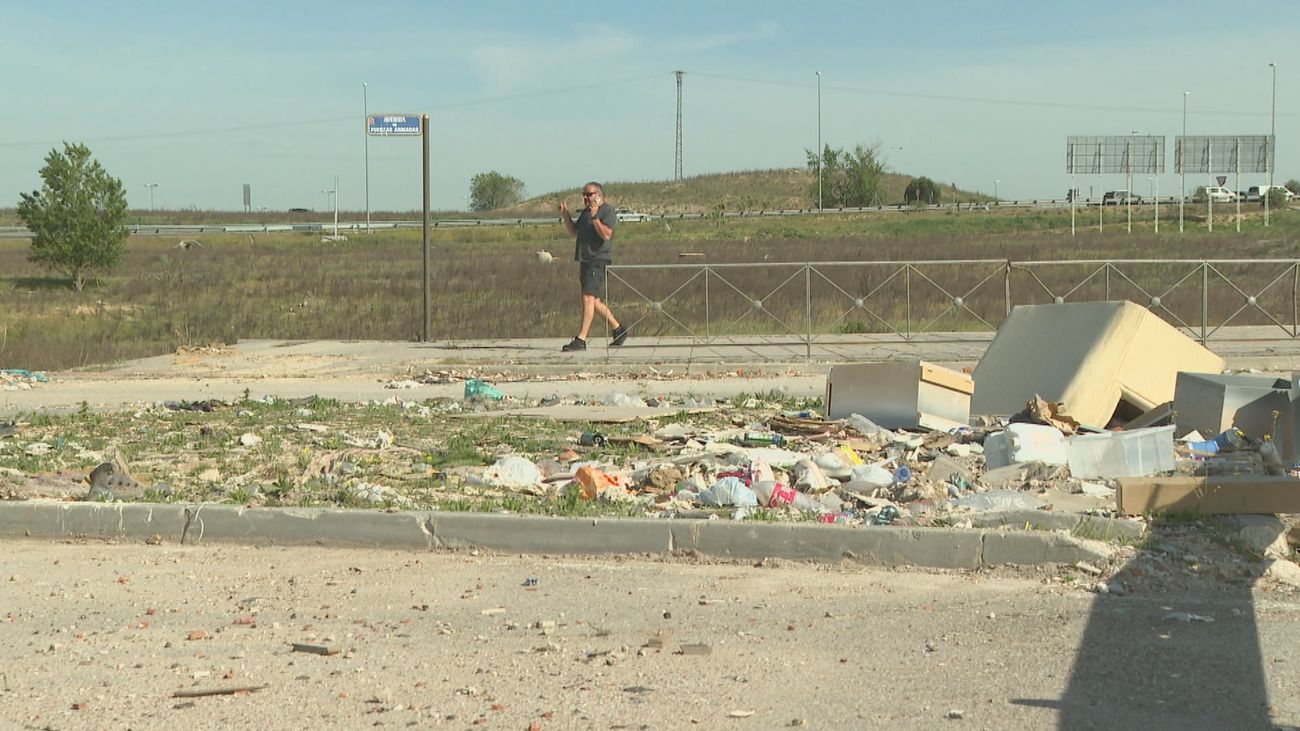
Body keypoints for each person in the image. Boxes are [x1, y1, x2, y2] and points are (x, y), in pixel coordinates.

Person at [558, 181, 628, 352]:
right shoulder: (586, 213)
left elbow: (606, 235)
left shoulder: (607, 211)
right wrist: (566, 214)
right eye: (584, 194)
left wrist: (596, 216)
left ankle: (581, 339)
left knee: (588, 299)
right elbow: (574, 231)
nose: (586, 198)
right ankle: (618, 329)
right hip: (585, 259)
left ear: (598, 194)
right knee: (594, 301)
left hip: (598, 260)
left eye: (589, 194)